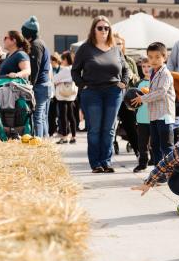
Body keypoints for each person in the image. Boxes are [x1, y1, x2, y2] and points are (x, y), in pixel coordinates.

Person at [72, 15, 130, 173]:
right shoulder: (85, 49)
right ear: (94, 30)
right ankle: (96, 163)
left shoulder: (116, 49)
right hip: (92, 92)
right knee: (95, 128)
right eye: (100, 28)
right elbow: (75, 71)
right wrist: (82, 85)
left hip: (114, 92)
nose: (104, 30)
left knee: (109, 129)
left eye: (107, 28)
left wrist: (123, 83)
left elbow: (126, 69)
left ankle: (106, 162)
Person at [131, 42, 175, 167]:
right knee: (155, 145)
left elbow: (160, 93)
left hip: (164, 116)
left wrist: (143, 98)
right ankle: (158, 171)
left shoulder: (165, 74)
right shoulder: (153, 73)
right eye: (150, 57)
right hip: (154, 116)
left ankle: (171, 172)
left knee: (166, 146)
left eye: (157, 57)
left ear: (164, 57)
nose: (153, 60)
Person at [22, 16, 52, 138]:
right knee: (42, 116)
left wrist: (30, 86)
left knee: (37, 117)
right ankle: (44, 141)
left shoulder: (36, 45)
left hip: (39, 86)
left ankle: (39, 143)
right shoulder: (41, 43)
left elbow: (35, 68)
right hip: (45, 85)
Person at [53, 51, 78, 144]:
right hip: (71, 95)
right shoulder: (74, 68)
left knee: (63, 117)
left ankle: (64, 137)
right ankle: (74, 136)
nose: (61, 61)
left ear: (66, 60)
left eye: (63, 59)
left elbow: (54, 79)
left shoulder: (65, 69)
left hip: (63, 95)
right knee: (72, 116)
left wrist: (61, 81)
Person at [134, 57, 151, 172]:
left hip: (155, 117)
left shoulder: (156, 81)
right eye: (144, 66)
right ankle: (143, 162)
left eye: (148, 66)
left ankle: (155, 161)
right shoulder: (139, 83)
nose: (146, 69)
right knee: (142, 143)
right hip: (142, 117)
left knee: (155, 142)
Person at [48, 52, 61, 137]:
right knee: (52, 114)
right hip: (53, 94)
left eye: (53, 61)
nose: (51, 62)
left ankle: (60, 129)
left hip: (61, 94)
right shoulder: (50, 69)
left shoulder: (61, 69)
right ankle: (52, 130)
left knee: (59, 113)